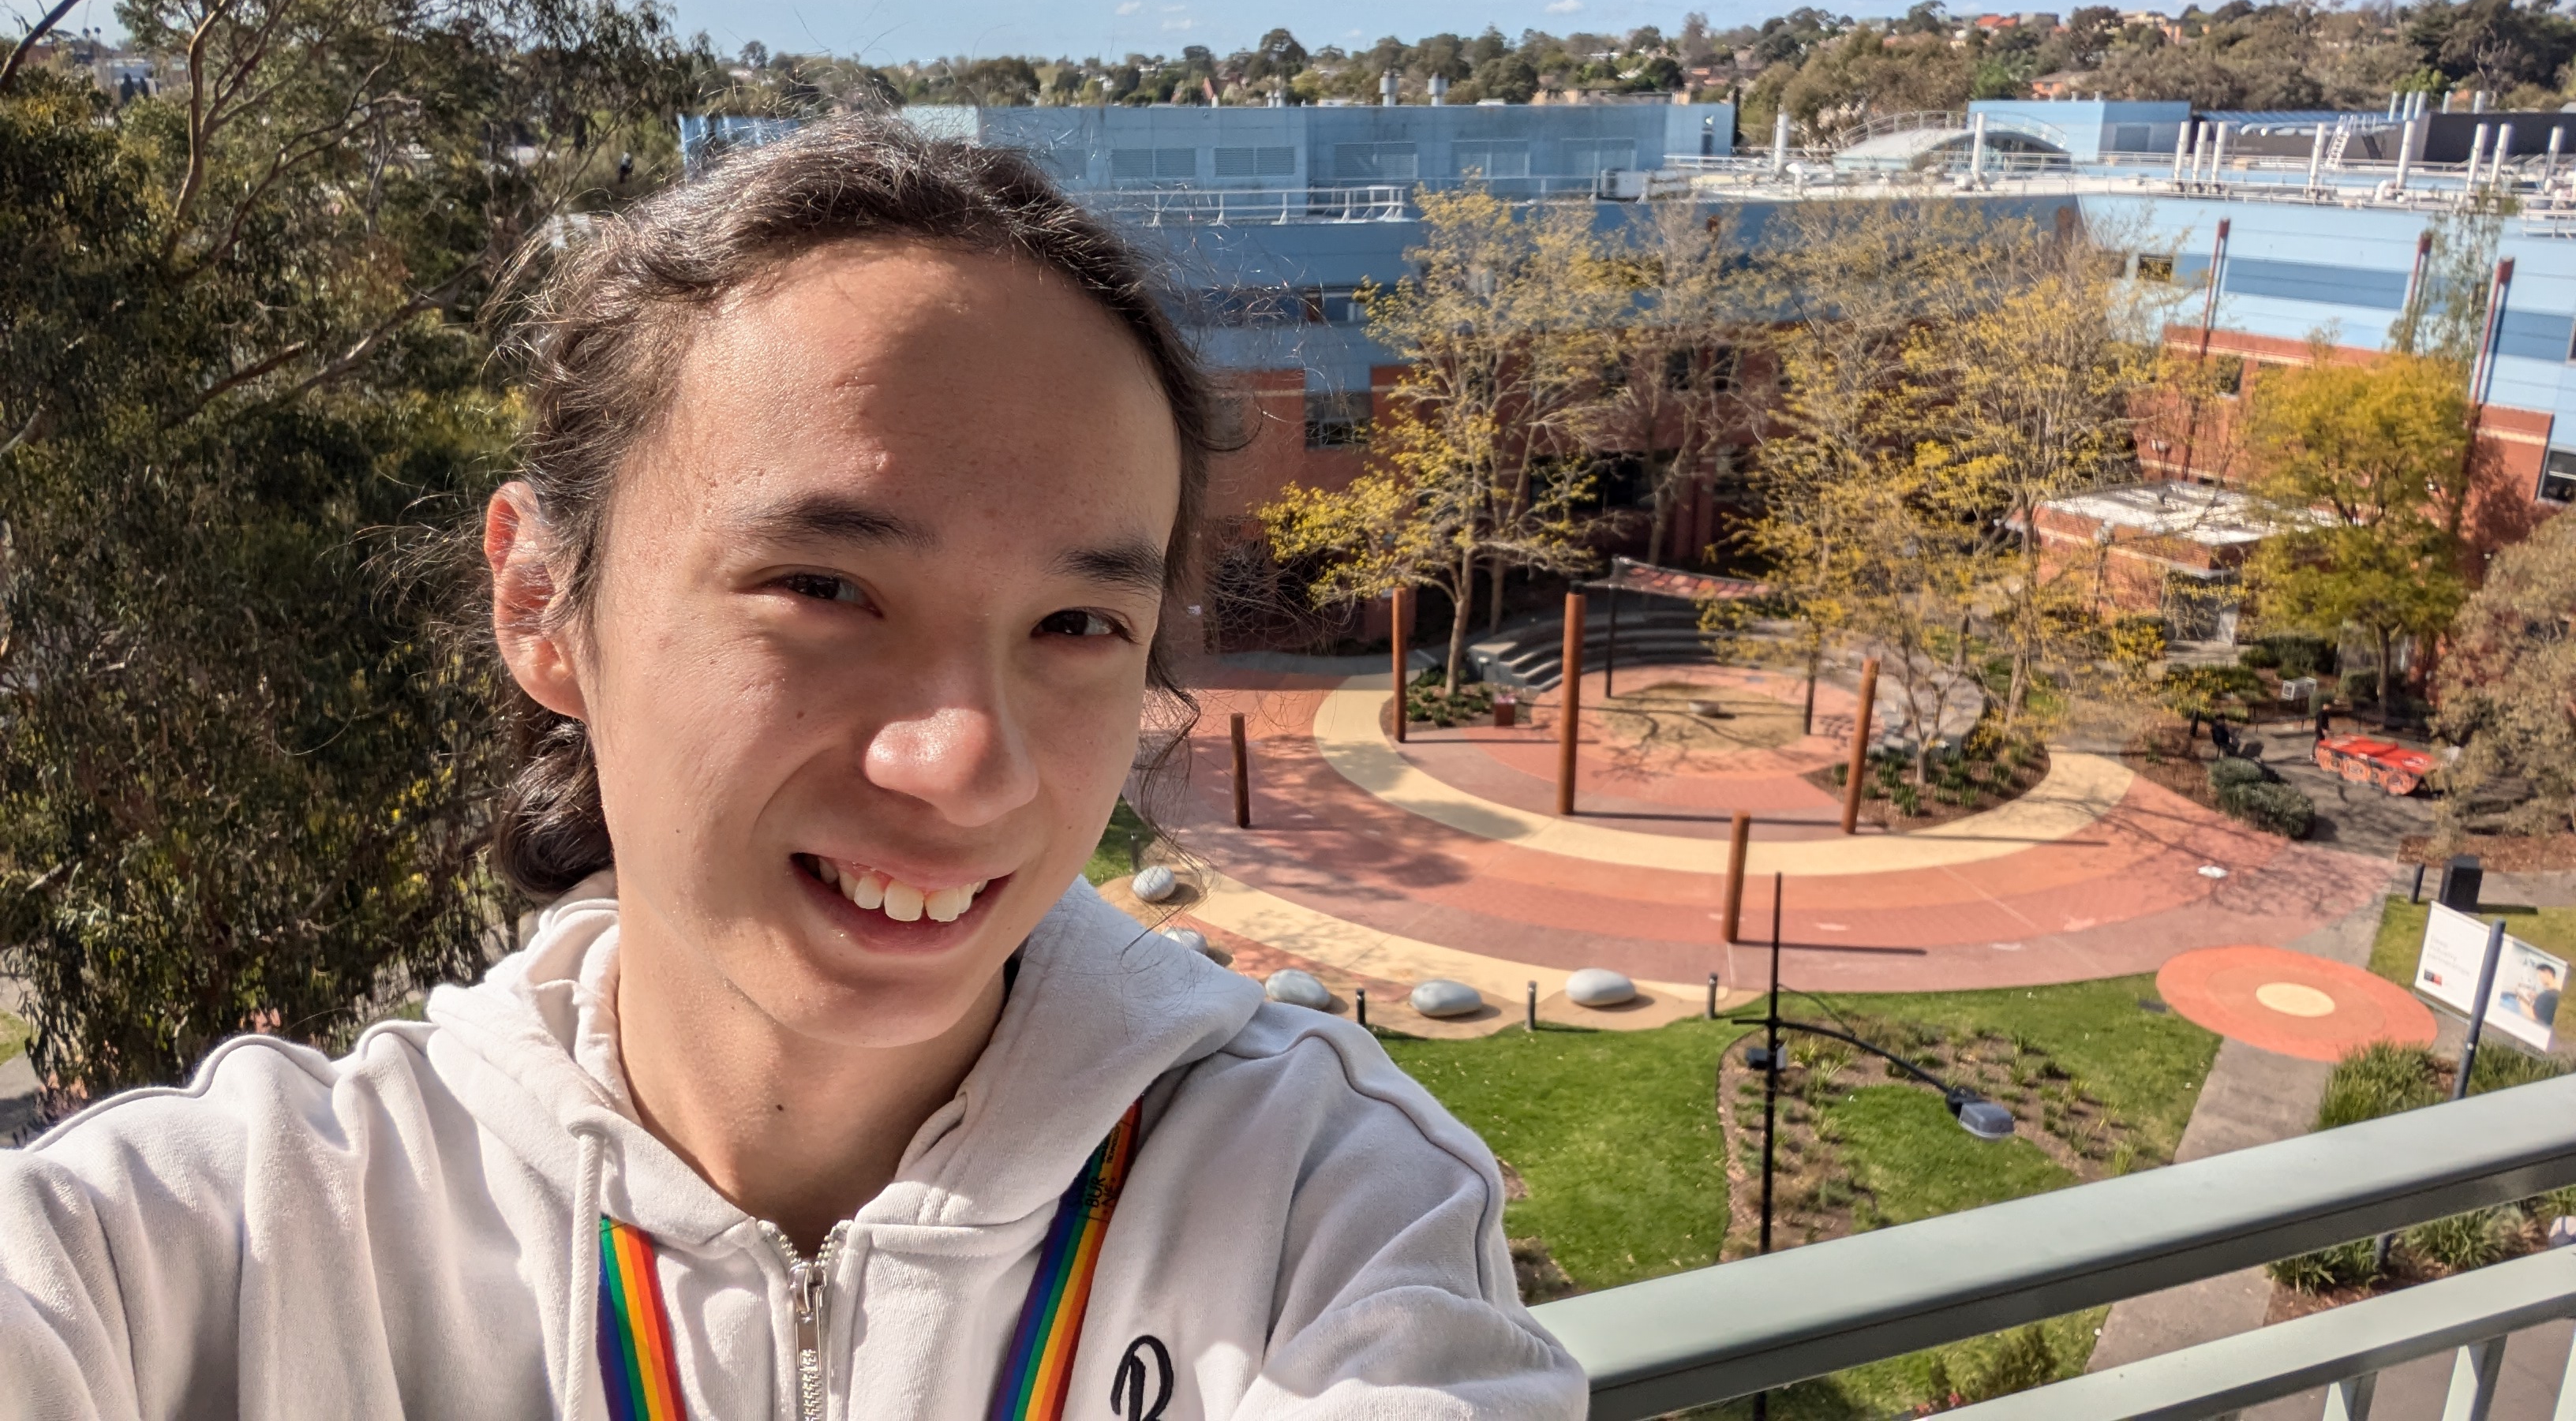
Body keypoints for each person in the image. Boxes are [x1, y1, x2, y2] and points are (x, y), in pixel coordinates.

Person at [0, 118, 1586, 1419]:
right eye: (826, 591)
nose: (966, 765)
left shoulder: (1323, 1218)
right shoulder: (203, 1251)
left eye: (1080, 622)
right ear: (543, 600)